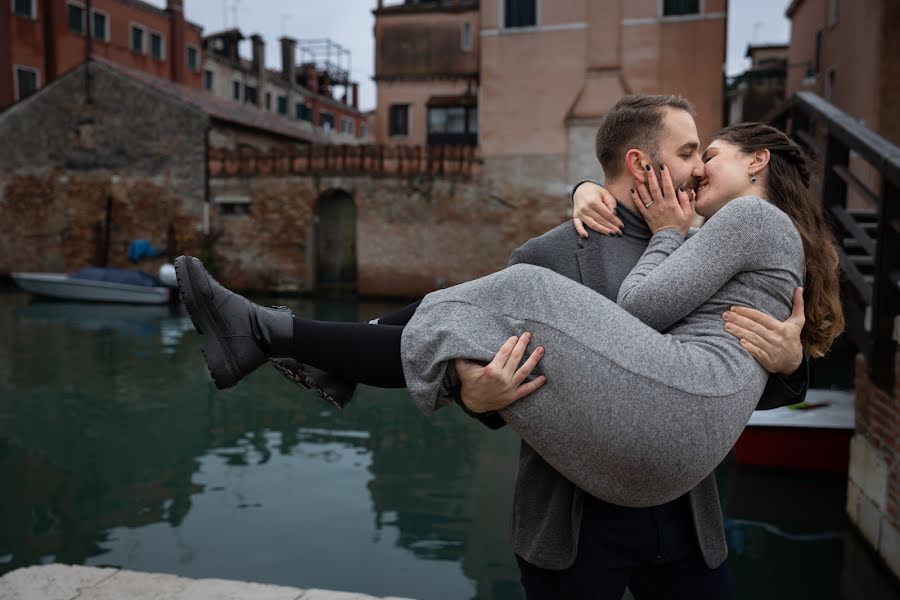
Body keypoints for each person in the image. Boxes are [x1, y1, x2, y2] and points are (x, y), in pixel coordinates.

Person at [174, 96, 843, 596]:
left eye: (706, 154)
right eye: (691, 151)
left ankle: (303, 344)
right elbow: (475, 364)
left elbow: (743, 357)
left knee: (475, 300)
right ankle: (303, 344)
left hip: (684, 518)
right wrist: (473, 394)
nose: (698, 169)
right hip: (576, 525)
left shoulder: (703, 243)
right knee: (478, 302)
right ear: (643, 164)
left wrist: (792, 365)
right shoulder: (552, 252)